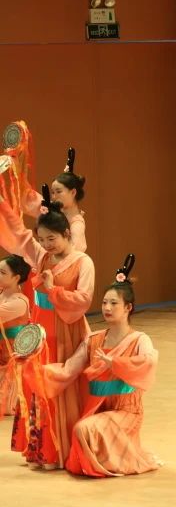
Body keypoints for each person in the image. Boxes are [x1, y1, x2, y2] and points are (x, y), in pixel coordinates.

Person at [41, 254, 162, 476]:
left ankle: (120, 461)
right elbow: (68, 369)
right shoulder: (93, 339)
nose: (107, 307)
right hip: (98, 409)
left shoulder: (139, 340)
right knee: (80, 431)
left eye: (114, 303)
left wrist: (116, 363)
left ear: (128, 307)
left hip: (127, 411)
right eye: (104, 302)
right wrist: (38, 371)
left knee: (82, 429)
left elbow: (148, 362)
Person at [0, 187, 94, 468]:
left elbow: (84, 300)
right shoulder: (41, 256)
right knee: (38, 387)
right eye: (42, 239)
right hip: (40, 331)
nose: (46, 244)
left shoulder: (83, 262)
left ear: (66, 233)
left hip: (66, 331)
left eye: (52, 238)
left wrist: (53, 291)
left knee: (60, 388)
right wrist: (2, 203)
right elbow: (18, 233)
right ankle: (41, 450)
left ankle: (61, 450)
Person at [0, 254, 32, 417]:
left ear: (16, 278)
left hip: (11, 362)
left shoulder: (19, 302)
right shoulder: (2, 294)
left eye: (2, 272)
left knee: (5, 407)